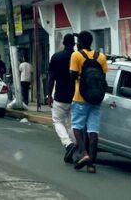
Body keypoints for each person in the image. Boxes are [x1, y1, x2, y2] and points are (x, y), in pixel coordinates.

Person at [69, 30, 108, 173]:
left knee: (77, 127)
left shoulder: (76, 55)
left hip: (80, 97)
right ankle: (91, 164)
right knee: (93, 131)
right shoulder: (101, 57)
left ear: (80, 42)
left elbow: (72, 75)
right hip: (96, 98)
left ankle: (83, 153)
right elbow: (103, 76)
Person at [46, 34, 77, 163]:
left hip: (60, 96)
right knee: (73, 124)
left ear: (63, 43)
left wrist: (48, 94)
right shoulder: (79, 57)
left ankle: (68, 144)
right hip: (76, 96)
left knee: (57, 121)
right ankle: (73, 146)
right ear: (74, 44)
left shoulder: (56, 57)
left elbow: (51, 78)